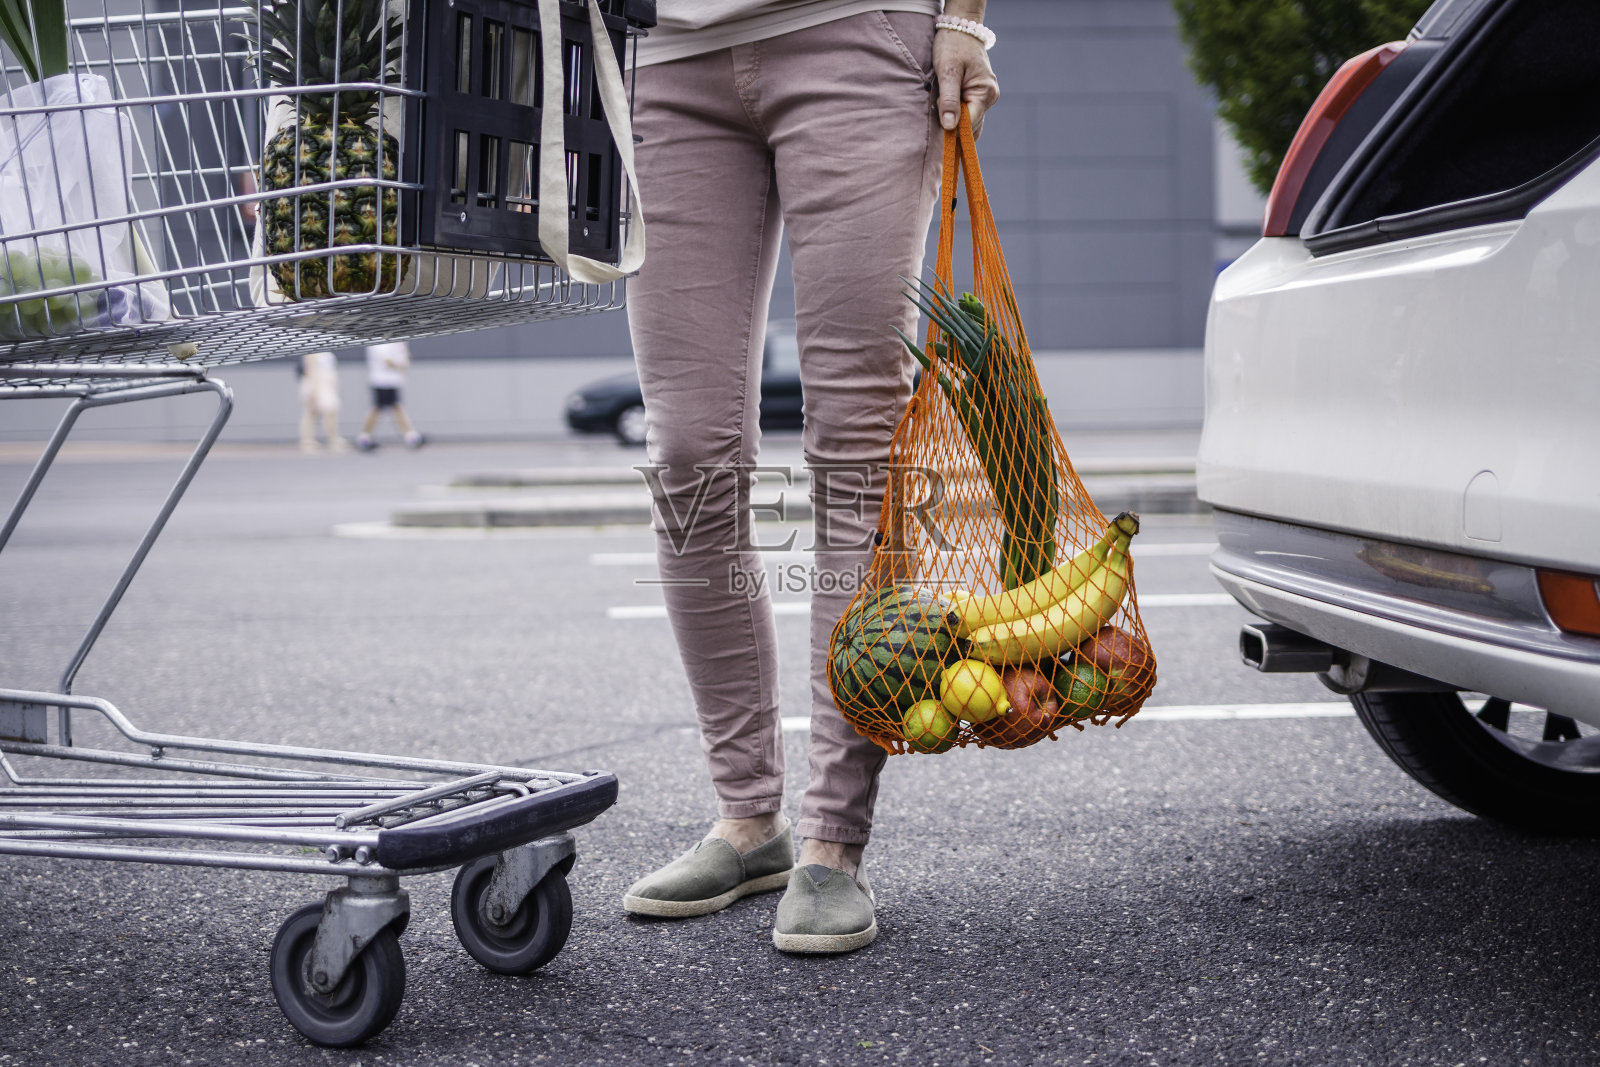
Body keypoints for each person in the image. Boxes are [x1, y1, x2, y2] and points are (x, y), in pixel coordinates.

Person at [620, 2, 1000, 954]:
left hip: (858, 32)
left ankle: (834, 838)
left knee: (856, 446)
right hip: (664, 56)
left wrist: (964, 21)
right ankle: (750, 821)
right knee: (687, 455)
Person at [355, 341, 424, 451]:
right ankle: (364, 438)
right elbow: (388, 361)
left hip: (392, 381)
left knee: (395, 408)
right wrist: (400, 365)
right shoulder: (378, 342)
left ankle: (411, 436)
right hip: (381, 381)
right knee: (378, 409)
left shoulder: (397, 341)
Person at [297, 350, 346, 452]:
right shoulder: (312, 352)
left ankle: (330, 438)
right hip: (317, 384)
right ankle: (308, 441)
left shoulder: (327, 351)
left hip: (326, 384)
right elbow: (310, 369)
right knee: (314, 411)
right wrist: (313, 390)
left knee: (325, 411)